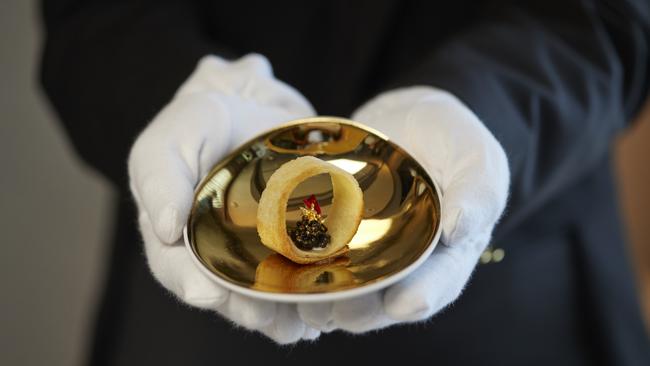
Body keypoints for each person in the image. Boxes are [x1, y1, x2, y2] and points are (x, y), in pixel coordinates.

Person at [39, 0, 650, 365]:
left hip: (517, 290)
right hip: (205, 269)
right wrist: (174, 86)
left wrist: (481, 109)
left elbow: (608, 16)